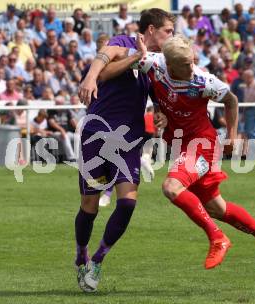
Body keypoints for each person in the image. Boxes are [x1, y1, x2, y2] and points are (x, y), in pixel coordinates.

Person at [116, 35, 255, 269]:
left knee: (171, 188)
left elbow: (232, 100)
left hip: (202, 144)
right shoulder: (153, 64)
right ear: (170, 64)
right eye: (185, 64)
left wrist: (233, 135)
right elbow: (118, 58)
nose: (191, 66)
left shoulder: (203, 81)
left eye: (192, 60)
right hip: (180, 146)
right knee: (216, 207)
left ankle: (218, 238)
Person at [75, 8, 175, 292]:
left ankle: (97, 260)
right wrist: (131, 59)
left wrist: (161, 113)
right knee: (89, 207)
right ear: (151, 29)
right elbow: (103, 67)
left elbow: (159, 97)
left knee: (128, 202)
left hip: (128, 138)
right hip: (97, 132)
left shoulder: (158, 63)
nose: (171, 36)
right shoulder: (124, 42)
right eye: (168, 31)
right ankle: (81, 252)